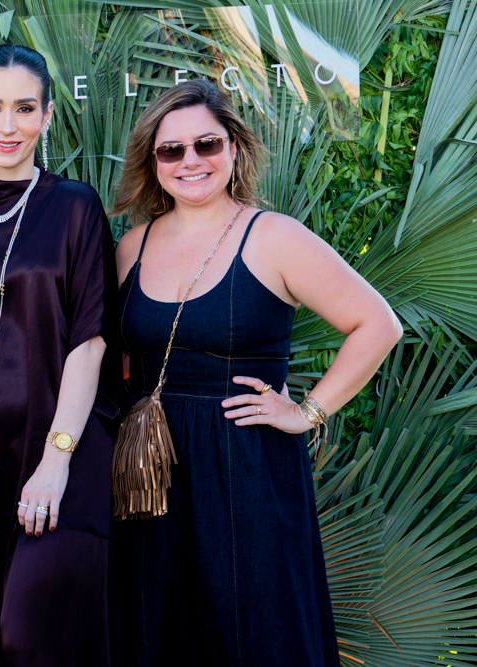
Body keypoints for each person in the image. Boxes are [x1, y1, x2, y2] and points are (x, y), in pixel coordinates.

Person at [109, 79, 403, 666]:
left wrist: (307, 411)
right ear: (153, 162)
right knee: (158, 633)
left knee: (260, 631)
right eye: (172, 150)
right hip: (151, 477)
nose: (191, 161)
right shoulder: (131, 246)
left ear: (234, 148)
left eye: (207, 144)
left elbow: (378, 324)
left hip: (246, 467)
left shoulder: (273, 237)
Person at [0, 44, 123, 667]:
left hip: (61, 444)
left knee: (37, 632)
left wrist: (57, 458)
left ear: (46, 115)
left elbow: (90, 340)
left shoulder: (75, 205)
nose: (7, 125)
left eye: (23, 108)